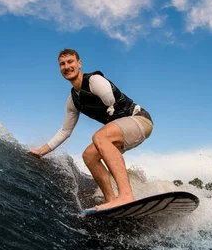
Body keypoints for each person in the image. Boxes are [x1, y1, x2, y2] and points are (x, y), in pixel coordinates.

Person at [29, 49, 153, 211]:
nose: (67, 66)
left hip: (140, 120)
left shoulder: (94, 80)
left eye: (70, 62)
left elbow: (109, 97)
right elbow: (65, 131)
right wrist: (40, 151)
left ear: (79, 64)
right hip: (123, 130)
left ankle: (126, 196)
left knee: (100, 137)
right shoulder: (73, 100)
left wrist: (107, 99)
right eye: (62, 64)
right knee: (89, 155)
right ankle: (111, 200)